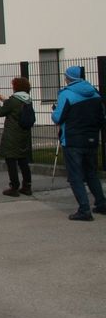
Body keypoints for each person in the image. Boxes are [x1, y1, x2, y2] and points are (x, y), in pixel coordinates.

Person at [51, 66, 106, 221]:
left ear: (68, 78)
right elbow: (102, 117)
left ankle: (84, 210)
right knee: (91, 173)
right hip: (92, 139)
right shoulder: (94, 93)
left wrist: (54, 110)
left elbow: (57, 118)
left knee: (75, 176)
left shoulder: (66, 94)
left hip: (73, 140)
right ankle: (102, 203)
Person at [0, 78, 33, 197]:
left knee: (11, 160)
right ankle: (27, 186)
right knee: (23, 160)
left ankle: (14, 187)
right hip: (24, 134)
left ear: (16, 87)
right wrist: (4, 99)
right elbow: (15, 107)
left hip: (12, 135)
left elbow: (0, 112)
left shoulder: (13, 100)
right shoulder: (28, 99)